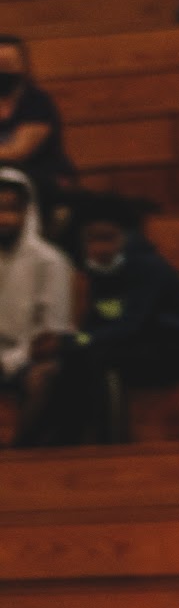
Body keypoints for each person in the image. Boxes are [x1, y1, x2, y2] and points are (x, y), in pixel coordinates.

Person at [16, 190, 179, 446]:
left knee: (101, 360)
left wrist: (68, 343)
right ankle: (49, 442)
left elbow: (128, 327)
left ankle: (111, 445)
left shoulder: (146, 267)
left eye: (108, 238)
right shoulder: (99, 270)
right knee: (70, 363)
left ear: (126, 237)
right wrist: (65, 345)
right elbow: (98, 325)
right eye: (92, 239)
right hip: (135, 344)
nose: (100, 248)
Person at [0, 169, 73, 439]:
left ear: (27, 212)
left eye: (11, 209)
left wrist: (11, 360)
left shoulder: (50, 261)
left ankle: (23, 454)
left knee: (46, 374)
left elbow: (51, 333)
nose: (4, 218)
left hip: (28, 357)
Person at [0, 35, 77, 223]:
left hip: (41, 179)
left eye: (8, 65)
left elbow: (18, 152)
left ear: (24, 67)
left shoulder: (36, 102)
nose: (3, 71)